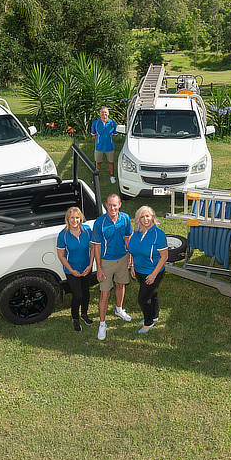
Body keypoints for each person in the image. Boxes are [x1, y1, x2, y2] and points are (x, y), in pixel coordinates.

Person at [91, 193, 134, 340]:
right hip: (106, 261)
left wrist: (130, 257)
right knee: (105, 293)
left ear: (119, 205)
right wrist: (99, 268)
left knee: (120, 285)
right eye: (109, 205)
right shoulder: (99, 222)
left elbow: (128, 238)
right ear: (106, 205)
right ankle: (102, 324)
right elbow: (96, 246)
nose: (112, 208)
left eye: (114, 205)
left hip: (122, 258)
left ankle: (119, 309)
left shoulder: (125, 218)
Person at [128, 205, 168, 333]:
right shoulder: (136, 232)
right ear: (138, 219)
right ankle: (154, 316)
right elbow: (132, 250)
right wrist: (132, 265)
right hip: (139, 270)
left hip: (153, 272)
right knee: (152, 293)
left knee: (143, 299)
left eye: (147, 216)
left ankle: (148, 322)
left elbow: (164, 256)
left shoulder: (159, 235)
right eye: (142, 217)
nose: (145, 219)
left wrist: (153, 275)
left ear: (153, 217)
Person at [56, 207, 94, 331]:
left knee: (86, 293)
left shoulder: (87, 230)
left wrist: (90, 265)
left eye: (77, 217)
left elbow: (93, 248)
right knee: (77, 295)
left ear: (80, 218)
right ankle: (75, 318)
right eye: (72, 218)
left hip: (86, 268)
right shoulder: (63, 235)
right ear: (67, 219)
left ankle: (84, 314)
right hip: (71, 270)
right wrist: (72, 270)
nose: (74, 220)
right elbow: (61, 255)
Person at [90, 106, 119, 184]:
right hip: (99, 147)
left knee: (111, 162)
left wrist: (109, 140)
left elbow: (115, 134)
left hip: (110, 147)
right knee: (98, 163)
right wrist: (99, 141)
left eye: (105, 112)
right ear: (100, 114)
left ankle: (112, 176)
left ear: (108, 113)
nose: (104, 114)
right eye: (102, 112)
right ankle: (96, 177)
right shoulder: (95, 123)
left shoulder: (112, 123)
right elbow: (93, 134)